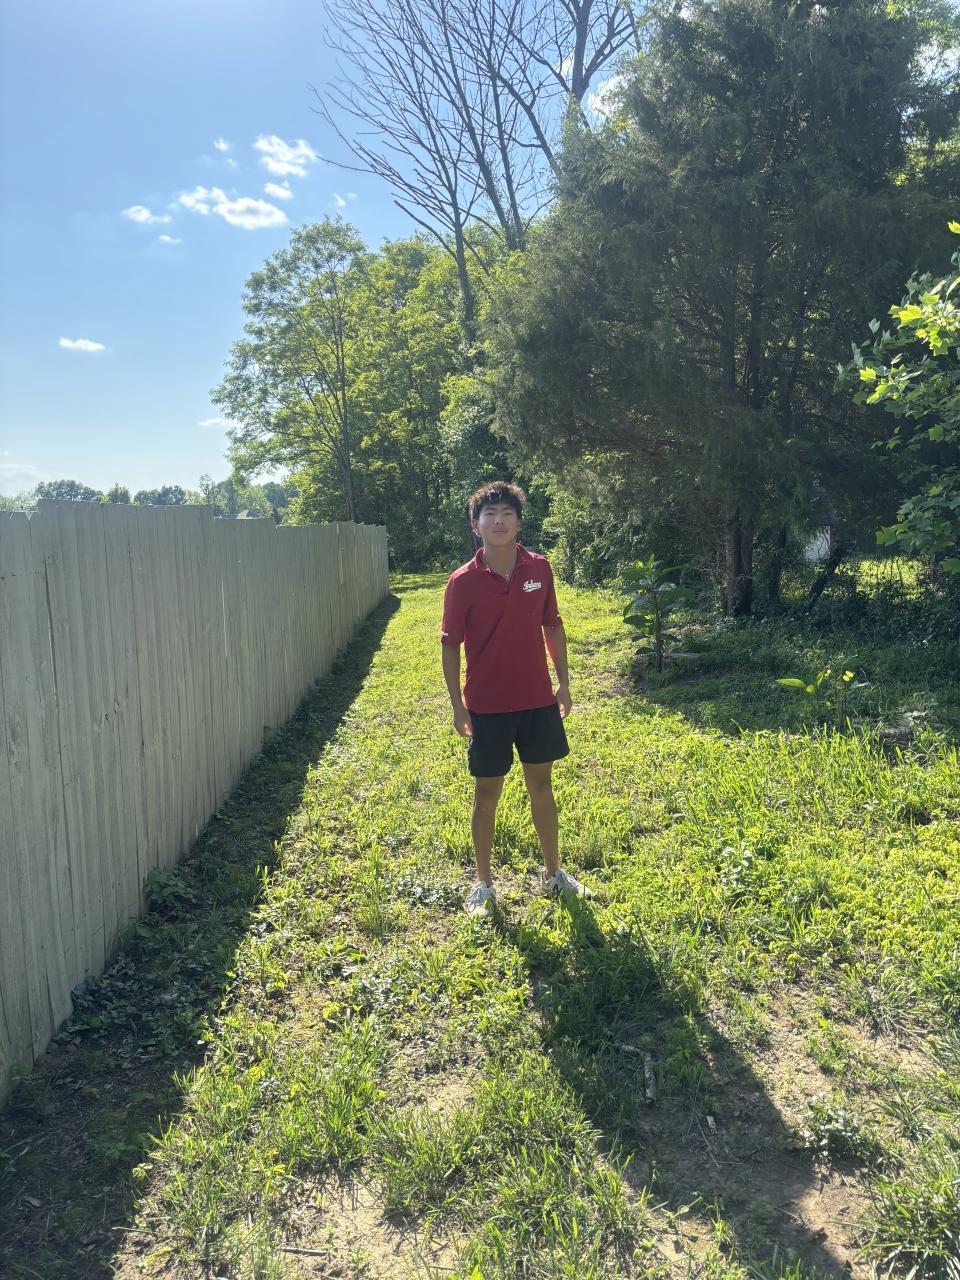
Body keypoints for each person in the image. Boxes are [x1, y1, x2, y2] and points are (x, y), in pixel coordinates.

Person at [440, 480, 592, 916]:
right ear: (476, 525)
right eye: (490, 514)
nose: (499, 521)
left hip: (537, 701)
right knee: (486, 794)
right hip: (486, 706)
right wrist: (457, 705)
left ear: (519, 522)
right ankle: (483, 883)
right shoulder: (462, 582)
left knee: (541, 787)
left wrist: (563, 683)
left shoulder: (539, 569)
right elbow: (450, 645)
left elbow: (553, 626)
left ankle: (553, 873)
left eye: (508, 513)